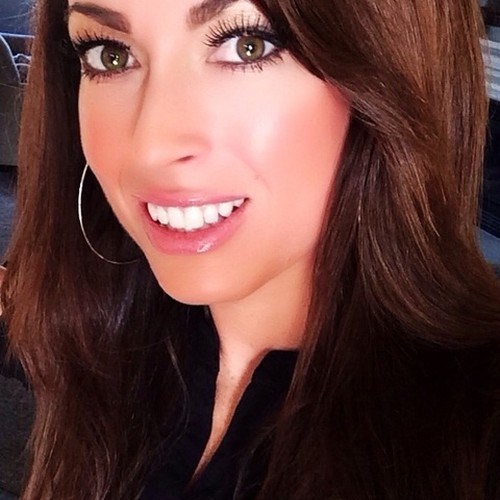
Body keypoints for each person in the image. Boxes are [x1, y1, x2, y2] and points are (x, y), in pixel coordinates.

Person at [1, 0, 500, 498]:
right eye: (110, 54)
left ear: (387, 68)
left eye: (247, 45)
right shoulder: (92, 336)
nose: (150, 146)